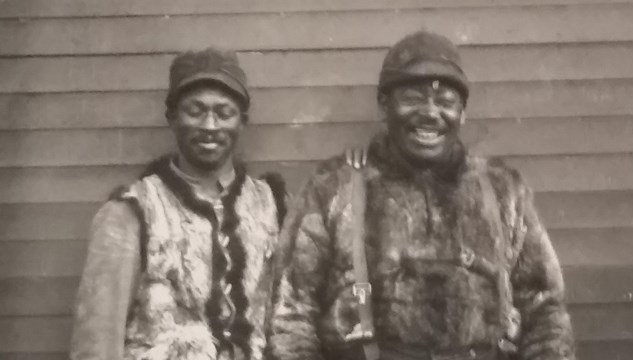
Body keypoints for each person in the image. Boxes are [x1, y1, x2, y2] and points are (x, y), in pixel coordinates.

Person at [269, 31, 575, 360]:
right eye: (412, 97)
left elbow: (545, 310)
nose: (430, 113)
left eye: (445, 102)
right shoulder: (332, 189)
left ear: (463, 113)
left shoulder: (504, 191)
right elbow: (292, 315)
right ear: (384, 105)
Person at [70, 47, 287, 360]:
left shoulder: (272, 205)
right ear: (172, 118)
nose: (210, 126)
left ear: (242, 122)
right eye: (195, 111)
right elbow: (96, 341)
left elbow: (292, 321)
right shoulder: (131, 211)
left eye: (224, 113)